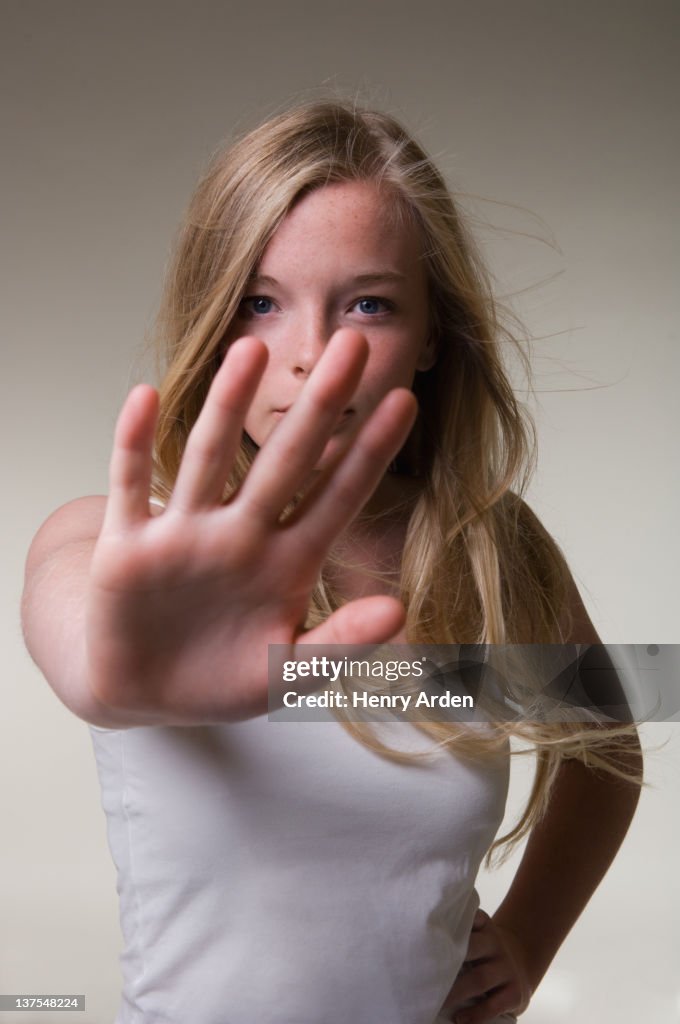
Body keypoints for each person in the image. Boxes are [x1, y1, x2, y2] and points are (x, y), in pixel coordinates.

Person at [21, 100, 643, 1024]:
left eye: (369, 304)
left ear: (433, 335)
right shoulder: (120, 545)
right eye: (261, 302)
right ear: (212, 319)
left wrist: (527, 944)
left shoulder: (488, 550)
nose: (313, 355)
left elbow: (609, 749)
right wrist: (112, 669)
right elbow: (77, 635)